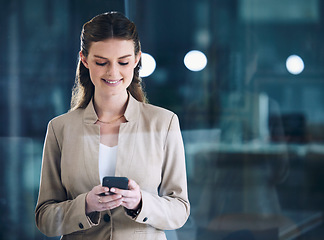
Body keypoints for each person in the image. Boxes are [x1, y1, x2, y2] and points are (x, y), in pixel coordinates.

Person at [35, 11, 190, 240]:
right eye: (101, 62)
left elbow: (180, 210)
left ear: (136, 60)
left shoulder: (164, 123)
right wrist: (85, 205)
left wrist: (141, 203)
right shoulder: (61, 128)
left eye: (124, 62)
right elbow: (45, 218)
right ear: (85, 60)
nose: (113, 72)